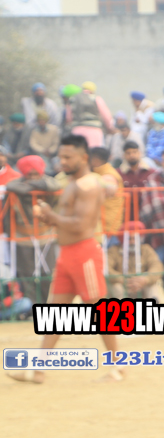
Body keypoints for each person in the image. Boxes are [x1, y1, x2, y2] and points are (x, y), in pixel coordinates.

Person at [8, 136, 122, 384]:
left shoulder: (88, 185)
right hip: (68, 253)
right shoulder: (73, 183)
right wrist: (50, 217)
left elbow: (81, 224)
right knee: (56, 313)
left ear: (83, 158)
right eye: (61, 157)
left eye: (68, 157)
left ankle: (118, 367)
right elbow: (69, 220)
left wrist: (51, 216)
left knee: (99, 311)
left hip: (84, 253)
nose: (62, 162)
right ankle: (37, 369)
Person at [4, 155, 60, 303]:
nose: (34, 177)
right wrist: (31, 187)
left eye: (36, 174)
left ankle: (44, 305)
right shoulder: (16, 184)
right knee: (26, 274)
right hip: (22, 236)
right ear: (24, 174)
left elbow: (56, 185)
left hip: (46, 236)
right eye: (30, 175)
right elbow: (11, 186)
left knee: (47, 273)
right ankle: (32, 307)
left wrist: (33, 186)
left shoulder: (48, 182)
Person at [107, 220, 164, 301]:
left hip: (142, 284)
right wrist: (123, 279)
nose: (132, 242)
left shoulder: (146, 249)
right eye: (129, 239)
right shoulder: (113, 251)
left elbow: (157, 266)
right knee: (115, 286)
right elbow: (106, 268)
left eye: (135, 238)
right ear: (123, 239)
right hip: (123, 284)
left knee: (153, 284)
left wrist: (145, 279)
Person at [88, 147, 124, 236]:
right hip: (102, 225)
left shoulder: (108, 176)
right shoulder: (102, 172)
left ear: (95, 160)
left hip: (107, 227)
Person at [69, 81, 114, 149]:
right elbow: (106, 116)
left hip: (77, 130)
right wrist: (110, 128)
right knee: (94, 152)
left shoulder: (73, 99)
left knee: (78, 151)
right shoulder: (96, 98)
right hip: (94, 131)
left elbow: (68, 118)